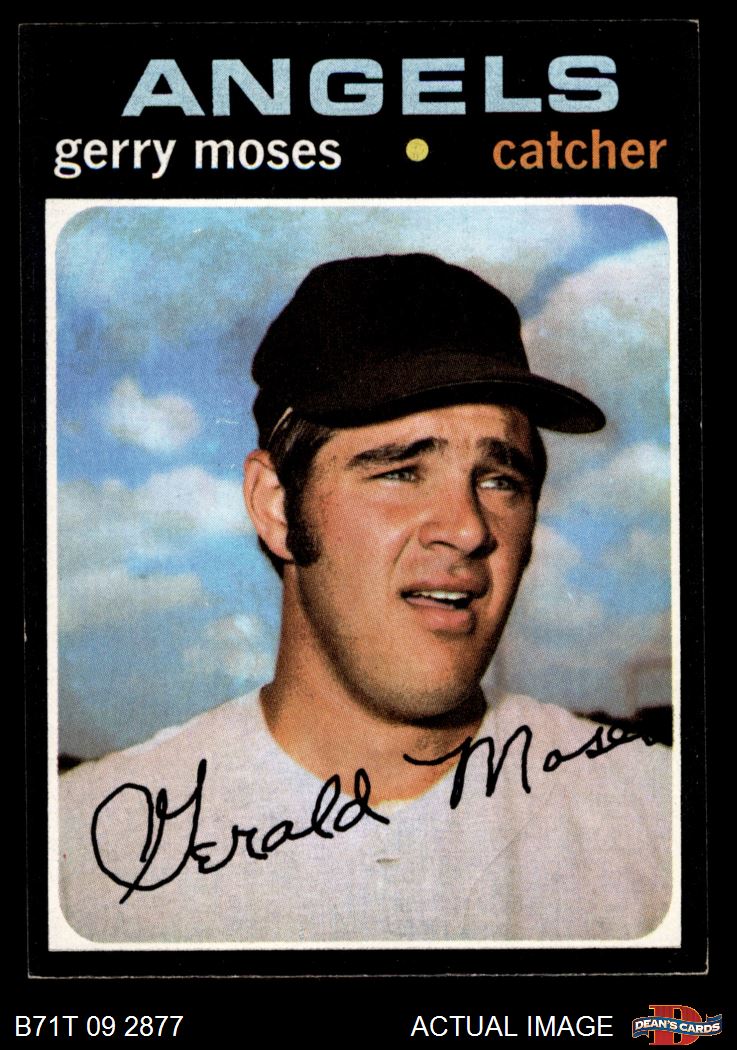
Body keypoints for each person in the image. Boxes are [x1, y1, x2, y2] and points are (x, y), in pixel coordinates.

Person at [58, 253, 672, 944]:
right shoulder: (86, 856)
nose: (468, 528)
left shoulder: (660, 819)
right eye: (402, 471)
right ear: (276, 506)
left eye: (500, 480)